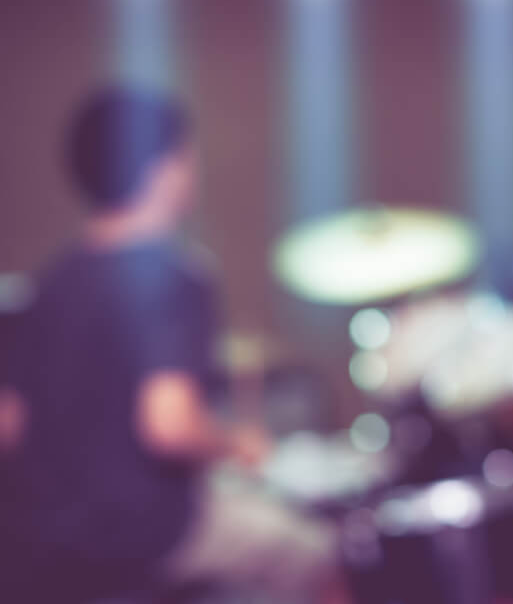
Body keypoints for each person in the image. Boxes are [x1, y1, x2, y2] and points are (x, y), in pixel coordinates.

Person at [0, 87, 337, 603]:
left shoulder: (50, 283)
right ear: (164, 168)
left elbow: (11, 423)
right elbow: (169, 425)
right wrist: (236, 444)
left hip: (45, 543)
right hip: (149, 534)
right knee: (313, 554)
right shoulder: (172, 272)